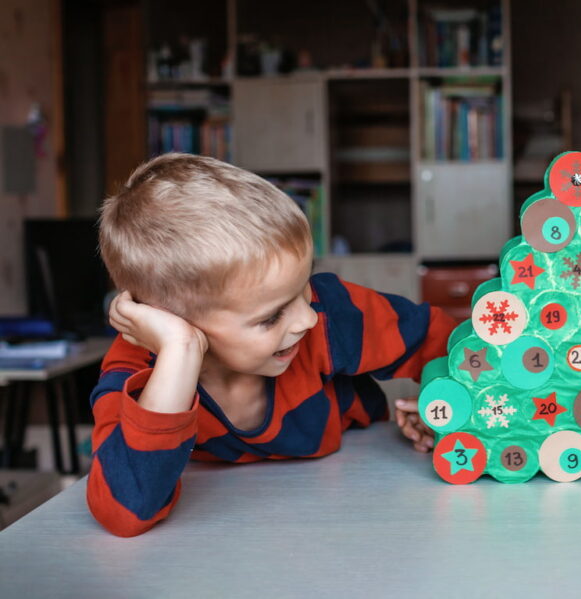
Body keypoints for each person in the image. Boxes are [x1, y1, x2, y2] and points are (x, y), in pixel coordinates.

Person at [88, 153, 454, 537]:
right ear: (175, 323)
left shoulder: (329, 312)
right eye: (271, 316)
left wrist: (449, 404)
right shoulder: (140, 368)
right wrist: (179, 351)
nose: (306, 319)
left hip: (360, 503)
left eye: (304, 286)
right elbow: (125, 511)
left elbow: (452, 344)